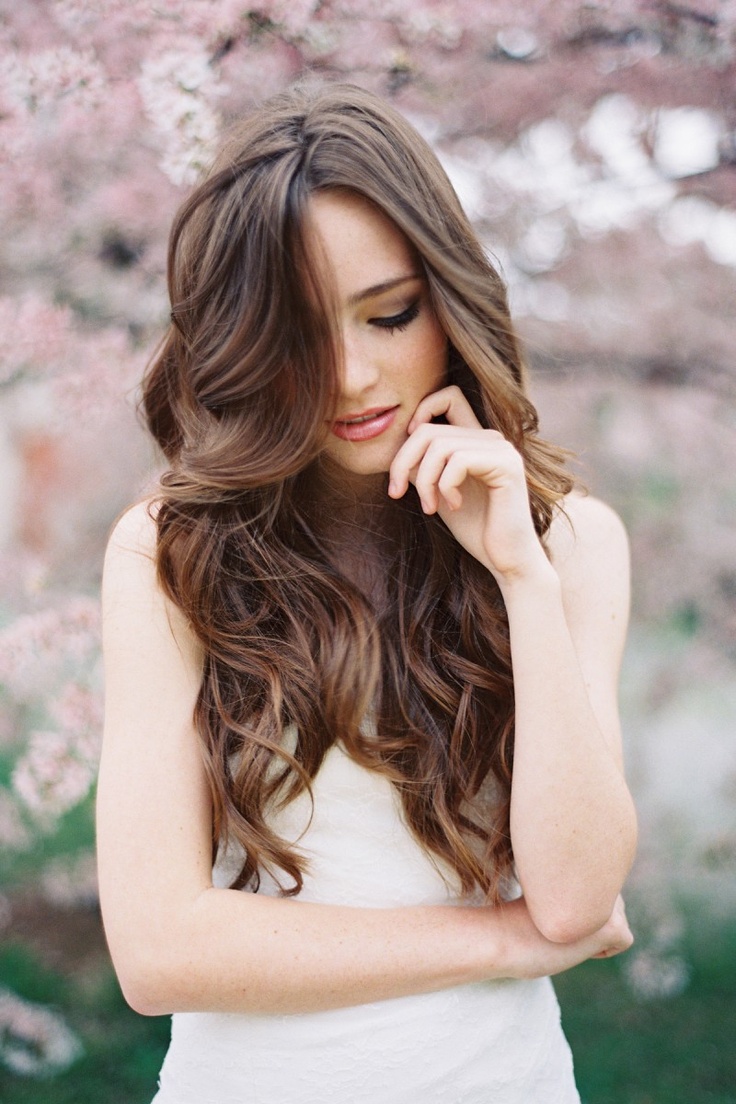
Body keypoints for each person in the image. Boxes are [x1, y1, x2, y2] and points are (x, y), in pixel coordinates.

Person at [96, 80, 637, 1104]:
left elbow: (574, 898)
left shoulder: (570, 546)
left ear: (448, 295)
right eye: (299, 330)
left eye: (389, 314)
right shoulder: (172, 554)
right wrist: (500, 942)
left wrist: (518, 573)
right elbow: (160, 950)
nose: (351, 375)